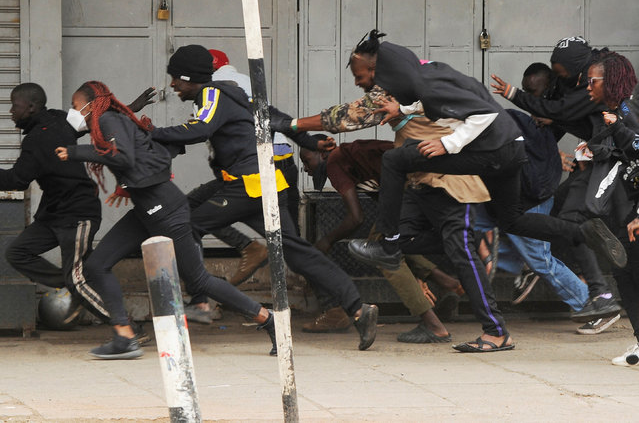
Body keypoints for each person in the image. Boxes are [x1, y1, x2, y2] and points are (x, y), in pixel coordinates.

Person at [341, 31, 626, 307]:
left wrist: (448, 144)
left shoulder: (428, 83)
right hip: (511, 150)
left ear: (385, 71)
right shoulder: (434, 74)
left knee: (395, 160)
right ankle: (581, 232)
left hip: (493, 151)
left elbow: (485, 114)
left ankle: (388, 245)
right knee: (511, 220)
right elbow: (438, 102)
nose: (361, 83)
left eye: (363, 77)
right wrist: (402, 111)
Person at [150, 44, 379, 351]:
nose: (173, 86)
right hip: (266, 185)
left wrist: (153, 132)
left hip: (246, 186)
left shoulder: (212, 94)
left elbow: (199, 129)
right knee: (297, 252)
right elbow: (283, 121)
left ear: (190, 77)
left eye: (176, 79)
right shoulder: (242, 97)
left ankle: (201, 302)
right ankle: (359, 309)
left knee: (186, 224)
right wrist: (310, 140)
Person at [277, 54, 513, 351]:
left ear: (377, 71)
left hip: (445, 179)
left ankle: (482, 328)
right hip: (417, 183)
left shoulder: (404, 88)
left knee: (437, 251)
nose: (358, 83)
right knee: (396, 243)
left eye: (360, 76)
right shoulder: (409, 93)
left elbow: (349, 117)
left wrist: (292, 124)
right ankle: (452, 270)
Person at [56, 80, 278, 359]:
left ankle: (269, 320)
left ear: (90, 105)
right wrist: (127, 186)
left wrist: (75, 152)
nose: (72, 112)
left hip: (166, 210)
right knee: (98, 265)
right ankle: (124, 336)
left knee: (199, 280)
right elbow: (135, 158)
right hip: (148, 209)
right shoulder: (111, 122)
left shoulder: (110, 119)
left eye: (75, 106)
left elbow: (123, 157)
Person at [184, 48, 335, 324]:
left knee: (192, 210)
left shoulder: (214, 88)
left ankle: (333, 304)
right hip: (280, 163)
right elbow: (278, 118)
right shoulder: (245, 81)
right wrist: (309, 141)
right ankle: (330, 304)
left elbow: (205, 128)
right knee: (292, 244)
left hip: (255, 169)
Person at [490, 37, 623, 325]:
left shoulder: (588, 92)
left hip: (613, 164)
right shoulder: (568, 89)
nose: (590, 86)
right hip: (598, 161)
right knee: (559, 216)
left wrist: (514, 95)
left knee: (574, 223)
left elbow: (561, 113)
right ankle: (536, 262)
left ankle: (600, 297)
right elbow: (554, 123)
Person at [300, 138, 457, 343]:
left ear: (321, 154)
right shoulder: (352, 158)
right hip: (423, 189)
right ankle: (447, 283)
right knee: (389, 242)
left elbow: (356, 218)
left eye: (306, 161)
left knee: (383, 253)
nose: (305, 168)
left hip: (416, 188)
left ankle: (433, 325)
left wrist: (326, 242)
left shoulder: (334, 162)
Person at [3, 83, 110, 327]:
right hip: (54, 215)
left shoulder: (36, 140)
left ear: (30, 107)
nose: (10, 111)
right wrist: (132, 107)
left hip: (78, 214)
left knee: (78, 279)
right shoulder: (59, 119)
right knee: (18, 252)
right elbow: (91, 121)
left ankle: (126, 328)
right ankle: (67, 283)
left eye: (14, 106)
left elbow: (17, 180)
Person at [580, 52, 639, 365]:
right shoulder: (618, 112)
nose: (588, 87)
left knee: (631, 273)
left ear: (610, 80)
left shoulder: (628, 109)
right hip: (629, 206)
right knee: (625, 274)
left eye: (593, 81)